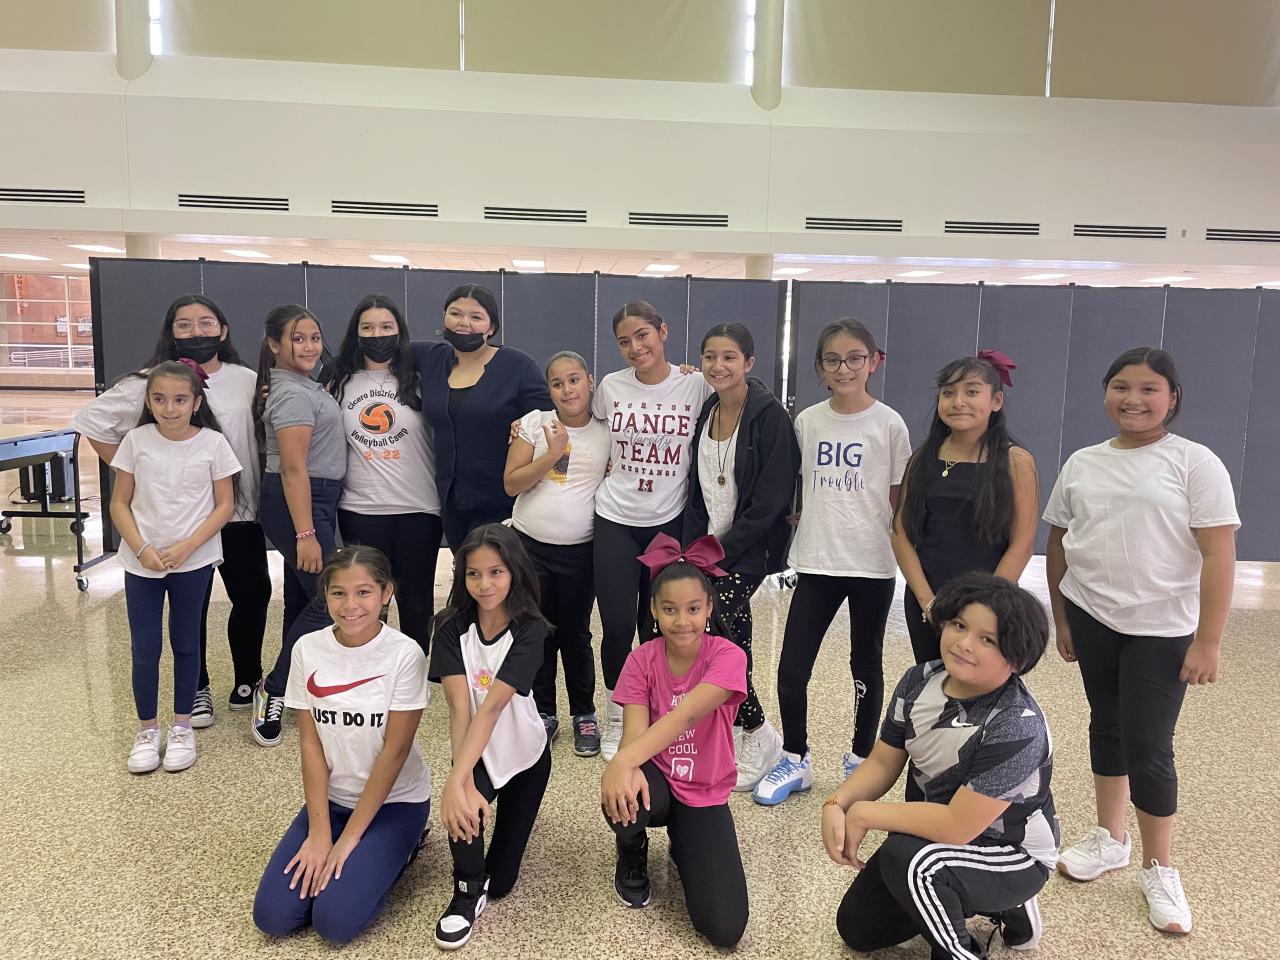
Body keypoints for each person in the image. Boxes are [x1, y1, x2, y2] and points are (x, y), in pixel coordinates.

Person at [1045, 347, 1238, 935]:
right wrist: (1063, 618)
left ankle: (1160, 868)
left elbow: (1218, 553)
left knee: (1149, 744)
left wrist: (1209, 640)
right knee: (1106, 724)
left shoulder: (1194, 462)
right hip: (1092, 614)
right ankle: (1111, 838)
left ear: (1172, 398)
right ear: (1106, 393)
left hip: (1163, 626)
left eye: (1149, 389)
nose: (1133, 399)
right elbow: (1059, 542)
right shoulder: (1082, 461)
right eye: (1121, 387)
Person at [824, 573, 1057, 960]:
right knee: (859, 929)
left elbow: (957, 826)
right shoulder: (919, 680)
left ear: (1017, 659)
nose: (965, 643)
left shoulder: (1017, 724)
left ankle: (968, 945)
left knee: (913, 865)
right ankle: (971, 898)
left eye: (987, 639)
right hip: (936, 832)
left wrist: (864, 813)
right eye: (960, 625)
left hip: (1009, 852)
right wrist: (837, 803)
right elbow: (883, 761)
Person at [72, 294, 269, 723]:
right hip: (181, 521)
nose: (196, 332)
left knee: (253, 597)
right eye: (184, 324)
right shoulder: (152, 381)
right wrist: (138, 472)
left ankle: (247, 679)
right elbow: (91, 420)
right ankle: (196, 687)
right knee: (190, 609)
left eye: (206, 323)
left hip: (237, 513)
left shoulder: (246, 379)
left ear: (223, 330)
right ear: (171, 331)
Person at [754, 318, 911, 806]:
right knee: (791, 669)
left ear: (873, 362)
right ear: (820, 368)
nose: (844, 368)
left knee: (865, 665)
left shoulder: (889, 424)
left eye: (854, 358)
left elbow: (898, 499)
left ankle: (861, 761)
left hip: (871, 564)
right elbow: (798, 483)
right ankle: (796, 758)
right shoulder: (808, 421)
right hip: (817, 560)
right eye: (832, 360)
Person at [252, 546, 431, 946]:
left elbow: (394, 754)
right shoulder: (307, 648)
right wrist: (320, 833)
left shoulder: (405, 654)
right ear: (326, 595)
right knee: (273, 916)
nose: (350, 606)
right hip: (333, 802)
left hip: (394, 804)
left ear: (386, 593)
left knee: (334, 921)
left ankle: (407, 845)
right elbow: (310, 744)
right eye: (338, 593)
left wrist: (347, 840)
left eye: (364, 592)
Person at [602, 533, 749, 949]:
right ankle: (632, 848)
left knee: (725, 928)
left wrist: (620, 762)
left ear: (709, 608)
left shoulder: (728, 656)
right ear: (653, 610)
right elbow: (634, 735)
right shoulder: (641, 659)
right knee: (624, 799)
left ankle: (685, 844)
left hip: (705, 791)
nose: (682, 621)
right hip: (659, 781)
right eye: (669, 609)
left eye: (693, 609)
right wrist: (625, 766)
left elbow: (685, 716)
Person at [592, 300, 713, 760]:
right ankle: (617, 714)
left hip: (668, 521)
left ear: (663, 331)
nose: (635, 347)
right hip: (616, 518)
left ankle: (660, 711)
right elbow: (580, 423)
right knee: (618, 624)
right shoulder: (610, 386)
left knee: (657, 624)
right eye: (624, 341)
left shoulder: (694, 384)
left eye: (643, 335)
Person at [682, 322, 798, 791]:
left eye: (729, 357)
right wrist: (693, 549)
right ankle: (737, 728)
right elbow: (697, 486)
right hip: (706, 547)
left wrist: (721, 552)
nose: (718, 366)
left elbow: (770, 501)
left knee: (719, 637)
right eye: (710, 357)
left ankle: (757, 730)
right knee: (723, 639)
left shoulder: (770, 417)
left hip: (746, 552)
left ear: (749, 362)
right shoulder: (708, 409)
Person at [110, 360, 241, 774]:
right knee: (145, 648)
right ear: (149, 402)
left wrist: (187, 547)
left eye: (180, 400)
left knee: (187, 644)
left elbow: (225, 505)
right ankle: (147, 730)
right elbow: (119, 503)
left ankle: (182, 726)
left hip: (193, 561)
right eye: (160, 399)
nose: (170, 408)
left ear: (196, 403)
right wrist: (141, 547)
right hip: (142, 562)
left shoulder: (213, 444)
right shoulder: (136, 440)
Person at [428, 524, 552, 950]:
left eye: (496, 572)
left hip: (525, 758)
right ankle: (465, 893)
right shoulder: (449, 627)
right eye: (473, 574)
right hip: (476, 751)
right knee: (463, 810)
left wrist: (454, 781)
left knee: (501, 882)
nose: (484, 584)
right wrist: (459, 781)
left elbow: (492, 708)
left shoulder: (531, 628)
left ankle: (489, 874)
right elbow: (460, 708)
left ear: (514, 571)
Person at [892, 350, 1039, 664]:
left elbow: (1022, 543)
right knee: (932, 681)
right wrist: (928, 602)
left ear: (996, 401)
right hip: (928, 601)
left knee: (980, 683)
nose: (958, 401)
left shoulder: (1015, 461)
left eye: (972, 392)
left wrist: (982, 608)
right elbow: (901, 533)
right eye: (948, 393)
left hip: (990, 605)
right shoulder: (922, 458)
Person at [504, 350, 611, 756]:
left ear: (590, 380)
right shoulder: (534, 423)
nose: (567, 389)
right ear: (548, 390)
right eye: (557, 383)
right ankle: (544, 711)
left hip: (581, 551)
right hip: (530, 547)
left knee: (576, 634)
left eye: (574, 379)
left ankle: (584, 713)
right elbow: (511, 484)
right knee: (539, 631)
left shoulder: (606, 429)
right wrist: (552, 452)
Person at [251, 305, 346, 747]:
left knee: (303, 598)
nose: (309, 346)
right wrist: (305, 532)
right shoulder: (291, 394)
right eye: (297, 338)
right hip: (300, 501)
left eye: (314, 337)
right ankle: (273, 688)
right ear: (274, 344)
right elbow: (293, 468)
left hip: (315, 498)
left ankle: (297, 688)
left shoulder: (303, 386)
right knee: (330, 600)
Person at [330, 294, 439, 653]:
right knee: (367, 599)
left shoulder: (421, 377)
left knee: (416, 600)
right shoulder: (338, 380)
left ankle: (414, 668)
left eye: (386, 326)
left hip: (419, 507)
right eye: (368, 327)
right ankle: (370, 666)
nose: (377, 334)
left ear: (399, 331)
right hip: (360, 508)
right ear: (356, 333)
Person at [411, 284, 552, 550]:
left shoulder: (517, 365)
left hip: (501, 502)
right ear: (444, 316)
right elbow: (380, 348)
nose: (464, 323)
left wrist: (525, 424)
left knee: (496, 570)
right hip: (451, 502)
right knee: (465, 569)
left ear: (492, 327)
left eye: (476, 317)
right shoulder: (431, 358)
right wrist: (333, 376)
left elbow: (550, 418)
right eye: (455, 313)